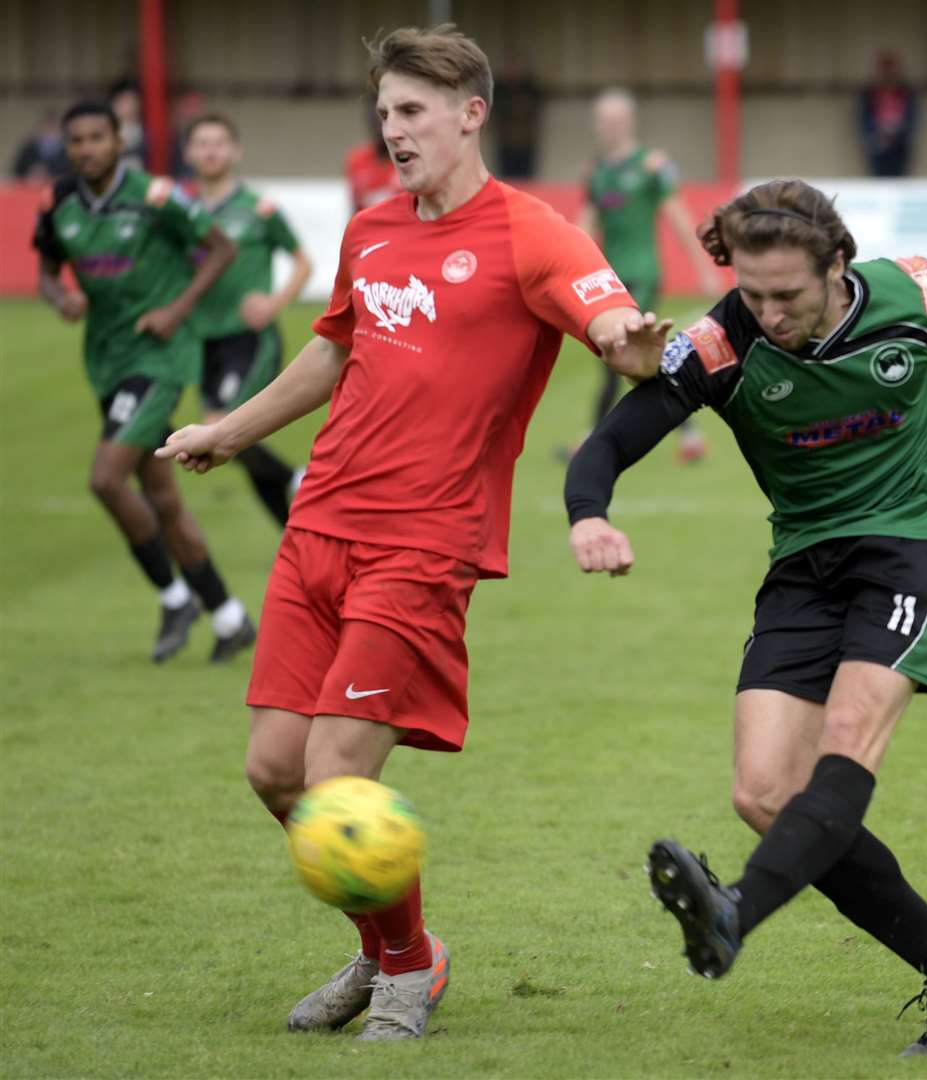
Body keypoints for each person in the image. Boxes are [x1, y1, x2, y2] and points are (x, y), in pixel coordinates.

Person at [157, 24, 669, 1041]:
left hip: (424, 539)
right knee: (273, 771)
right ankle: (395, 951)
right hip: (321, 524)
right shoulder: (373, 227)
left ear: (470, 114)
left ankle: (403, 975)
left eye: (411, 113)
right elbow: (334, 349)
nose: (392, 131)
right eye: (384, 113)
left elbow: (616, 329)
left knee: (337, 775)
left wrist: (630, 344)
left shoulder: (532, 232)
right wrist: (230, 430)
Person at [564, 179, 927, 1055]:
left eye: (787, 296)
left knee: (847, 739)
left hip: (913, 545)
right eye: (752, 293)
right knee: (765, 794)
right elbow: (613, 440)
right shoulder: (721, 343)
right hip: (804, 565)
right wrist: (589, 513)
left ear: (836, 266)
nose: (766, 313)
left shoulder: (907, 294)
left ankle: (736, 912)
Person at [31, 100, 254, 663]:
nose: (86, 149)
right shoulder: (59, 202)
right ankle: (229, 616)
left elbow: (221, 248)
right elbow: (45, 273)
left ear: (118, 140)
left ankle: (174, 595)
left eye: (96, 138)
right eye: (76, 140)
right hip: (106, 359)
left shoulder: (157, 197)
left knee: (107, 480)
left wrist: (177, 311)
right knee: (162, 496)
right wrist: (64, 298)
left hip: (159, 360)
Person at [562, 87, 721, 462]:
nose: (611, 127)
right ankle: (689, 435)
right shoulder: (597, 172)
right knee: (635, 359)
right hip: (608, 278)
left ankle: (592, 438)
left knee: (619, 352)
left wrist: (702, 267)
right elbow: (583, 227)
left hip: (643, 274)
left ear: (630, 122)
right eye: (604, 120)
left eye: (617, 120)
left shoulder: (651, 164)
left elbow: (678, 215)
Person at [183, 112, 313, 526]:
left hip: (250, 340)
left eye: (218, 143)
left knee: (220, 429)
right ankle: (293, 535)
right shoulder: (182, 214)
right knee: (236, 442)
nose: (210, 151)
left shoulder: (257, 208)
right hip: (205, 342)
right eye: (201, 143)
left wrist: (275, 303)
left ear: (235, 151)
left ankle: (304, 480)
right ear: (188, 152)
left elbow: (303, 262)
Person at [859, 51, 918, 177]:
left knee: (899, 178)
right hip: (878, 143)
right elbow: (864, 119)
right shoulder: (870, 93)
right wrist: (877, 134)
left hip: (899, 145)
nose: (888, 74)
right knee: (880, 179)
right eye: (885, 69)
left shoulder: (905, 92)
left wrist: (897, 134)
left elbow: (911, 118)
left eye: (891, 69)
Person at [489, 57, 543, 178]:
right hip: (505, 146)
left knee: (527, 183)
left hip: (526, 145)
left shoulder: (530, 91)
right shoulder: (499, 92)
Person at [344, 105, 401, 214]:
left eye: (383, 119)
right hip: (368, 229)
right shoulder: (357, 160)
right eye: (373, 120)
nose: (379, 127)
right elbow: (355, 207)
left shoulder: (408, 160)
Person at [11, 108, 67, 180]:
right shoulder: (29, 148)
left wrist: (50, 173)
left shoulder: (67, 150)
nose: (49, 131)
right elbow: (16, 171)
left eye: (52, 127)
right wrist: (31, 172)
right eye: (46, 126)